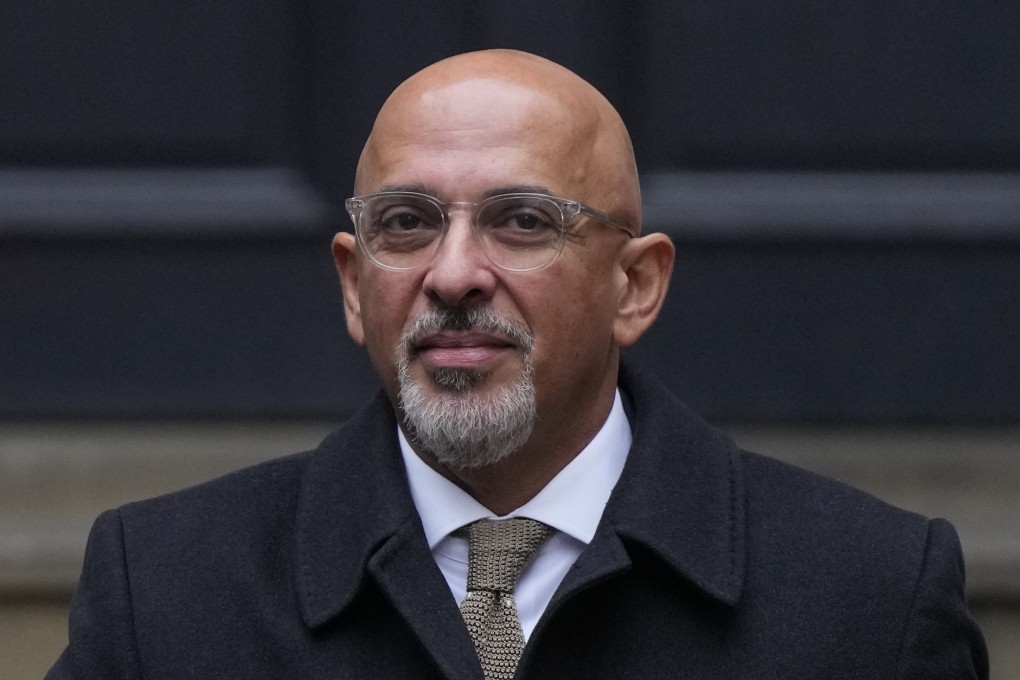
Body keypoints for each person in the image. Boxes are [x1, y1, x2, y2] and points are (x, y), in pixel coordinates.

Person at [49, 49, 987, 679]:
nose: (454, 274)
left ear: (636, 287)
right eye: (407, 224)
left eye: (524, 221)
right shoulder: (165, 591)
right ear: (352, 283)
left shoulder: (870, 600)